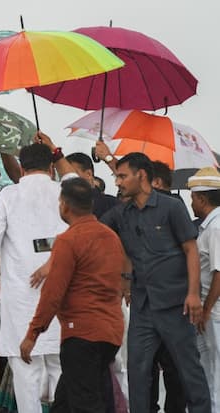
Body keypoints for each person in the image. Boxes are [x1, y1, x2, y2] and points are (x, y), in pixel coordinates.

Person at [0, 135, 78, 413]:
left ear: (21, 165)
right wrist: (57, 150)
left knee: (26, 372)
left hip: (21, 298)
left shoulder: (9, 195)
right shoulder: (64, 192)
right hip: (61, 294)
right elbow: (79, 182)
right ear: (51, 166)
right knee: (60, 367)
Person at [101, 152, 211, 412]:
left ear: (142, 176)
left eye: (122, 176)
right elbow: (91, 229)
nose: (117, 182)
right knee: (138, 373)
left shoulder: (171, 207)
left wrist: (193, 294)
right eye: (116, 176)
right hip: (142, 307)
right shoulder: (121, 214)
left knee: (189, 371)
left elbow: (190, 249)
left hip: (176, 305)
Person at [20, 177, 126, 412]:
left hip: (81, 333)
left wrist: (32, 333)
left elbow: (52, 293)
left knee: (85, 403)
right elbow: (122, 277)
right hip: (110, 332)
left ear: (65, 205)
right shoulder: (111, 237)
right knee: (65, 402)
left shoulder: (69, 240)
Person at [189, 167, 220, 412]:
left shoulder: (217, 227)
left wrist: (207, 308)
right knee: (207, 367)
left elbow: (219, 272)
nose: (191, 204)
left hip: (215, 310)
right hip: (209, 307)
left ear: (201, 198)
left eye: (192, 198)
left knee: (216, 369)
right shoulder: (208, 226)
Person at [65, 152, 119, 218]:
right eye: (63, 175)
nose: (66, 179)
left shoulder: (113, 205)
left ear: (88, 174)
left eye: (72, 175)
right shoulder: (62, 206)